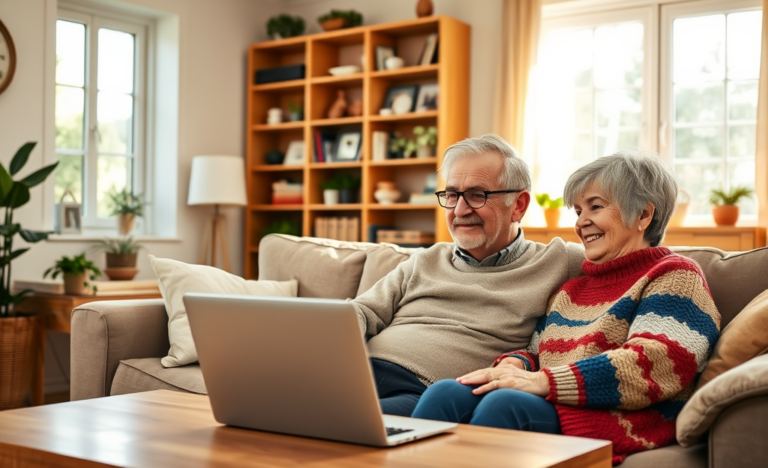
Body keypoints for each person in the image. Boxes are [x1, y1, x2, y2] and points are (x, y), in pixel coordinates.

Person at [411, 151, 721, 464]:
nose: (581, 223)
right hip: (559, 403)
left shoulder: (674, 275)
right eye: (577, 211)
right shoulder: (573, 290)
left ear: (643, 214)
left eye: (596, 207)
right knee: (446, 393)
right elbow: (538, 353)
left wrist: (542, 381)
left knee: (504, 405)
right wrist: (516, 365)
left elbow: (655, 362)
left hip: (616, 418)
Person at [352, 134, 584, 417]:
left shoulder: (559, 261)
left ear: (519, 205)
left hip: (425, 393)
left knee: (340, 418)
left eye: (477, 195)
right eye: (452, 195)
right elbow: (362, 312)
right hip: (358, 371)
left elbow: (631, 257)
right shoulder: (425, 259)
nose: (460, 210)